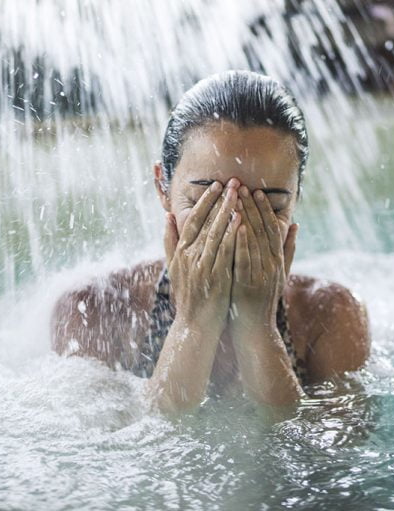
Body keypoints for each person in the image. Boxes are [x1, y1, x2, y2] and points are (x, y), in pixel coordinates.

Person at [51, 70, 370, 414]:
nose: (236, 224)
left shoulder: (330, 315)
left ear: (296, 198)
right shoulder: (95, 312)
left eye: (269, 205)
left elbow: (325, 460)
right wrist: (194, 319)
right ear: (163, 188)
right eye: (208, 201)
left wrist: (259, 325)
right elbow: (125, 454)